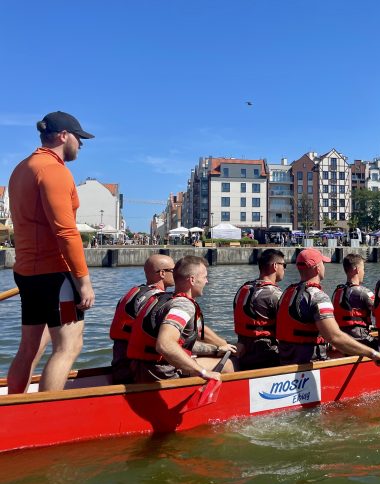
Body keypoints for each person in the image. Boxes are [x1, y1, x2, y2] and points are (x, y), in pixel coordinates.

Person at [7, 112, 96, 393]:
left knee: (30, 346)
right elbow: (66, 231)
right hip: (55, 275)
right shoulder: (54, 170)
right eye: (79, 138)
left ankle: (13, 408)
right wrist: (83, 281)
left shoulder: (22, 168)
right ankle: (43, 414)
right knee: (69, 345)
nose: (81, 145)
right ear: (63, 136)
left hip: (27, 272)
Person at [127, 256, 236, 383]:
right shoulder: (183, 306)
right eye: (205, 277)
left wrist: (216, 350)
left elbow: (182, 344)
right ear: (192, 280)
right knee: (229, 364)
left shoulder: (163, 299)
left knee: (214, 356)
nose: (207, 281)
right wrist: (203, 372)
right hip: (163, 374)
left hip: (142, 369)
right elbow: (165, 344)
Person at [275, 248, 380, 365]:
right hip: (311, 363)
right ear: (318, 268)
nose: (324, 267)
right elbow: (335, 337)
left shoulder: (286, 293)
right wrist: (372, 353)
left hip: (287, 360)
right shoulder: (318, 297)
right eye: (323, 263)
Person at [109, 254, 176, 384]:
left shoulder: (131, 294)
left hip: (120, 366)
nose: (176, 274)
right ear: (162, 273)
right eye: (173, 270)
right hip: (140, 371)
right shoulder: (158, 300)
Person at [233, 248, 285, 370]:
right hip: (266, 354)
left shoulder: (243, 289)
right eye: (284, 265)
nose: (285, 269)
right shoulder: (273, 294)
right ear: (275, 266)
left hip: (244, 349)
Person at [331, 253, 377, 348]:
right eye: (363, 269)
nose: (364, 272)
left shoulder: (336, 292)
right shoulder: (364, 292)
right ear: (357, 270)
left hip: (342, 339)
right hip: (361, 340)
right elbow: (379, 312)